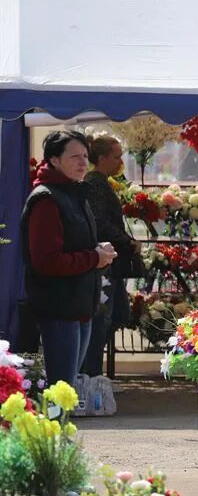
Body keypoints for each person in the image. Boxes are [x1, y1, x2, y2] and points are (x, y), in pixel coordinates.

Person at [21, 131, 117, 386]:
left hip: (79, 306)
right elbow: (47, 260)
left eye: (85, 156)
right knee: (60, 391)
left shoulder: (74, 194)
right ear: (54, 160)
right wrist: (93, 258)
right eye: (74, 156)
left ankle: (59, 426)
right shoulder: (46, 200)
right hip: (59, 308)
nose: (83, 162)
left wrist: (98, 250)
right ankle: (54, 426)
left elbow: (72, 244)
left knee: (66, 391)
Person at [81, 135, 140, 379]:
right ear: (102, 158)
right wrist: (126, 240)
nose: (120, 162)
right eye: (116, 156)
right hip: (103, 262)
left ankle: (93, 372)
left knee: (116, 315)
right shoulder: (95, 183)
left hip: (110, 260)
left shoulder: (102, 181)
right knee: (102, 319)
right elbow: (99, 222)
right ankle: (91, 374)